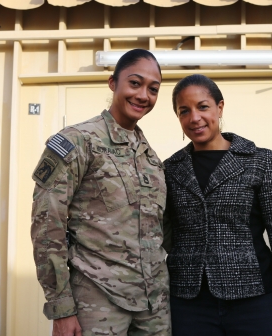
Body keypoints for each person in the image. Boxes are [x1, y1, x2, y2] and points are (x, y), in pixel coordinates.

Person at [30, 49, 170, 336]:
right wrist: (61, 307)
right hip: (97, 301)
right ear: (112, 83)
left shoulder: (151, 157)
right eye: (135, 83)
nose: (144, 95)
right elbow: (47, 224)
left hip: (154, 306)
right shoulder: (78, 141)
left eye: (153, 89)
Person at [162, 74, 272, 336]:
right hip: (189, 305)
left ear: (220, 107)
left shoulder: (260, 161)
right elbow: (167, 234)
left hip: (254, 300)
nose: (194, 118)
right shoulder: (169, 170)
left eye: (203, 106)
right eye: (184, 111)